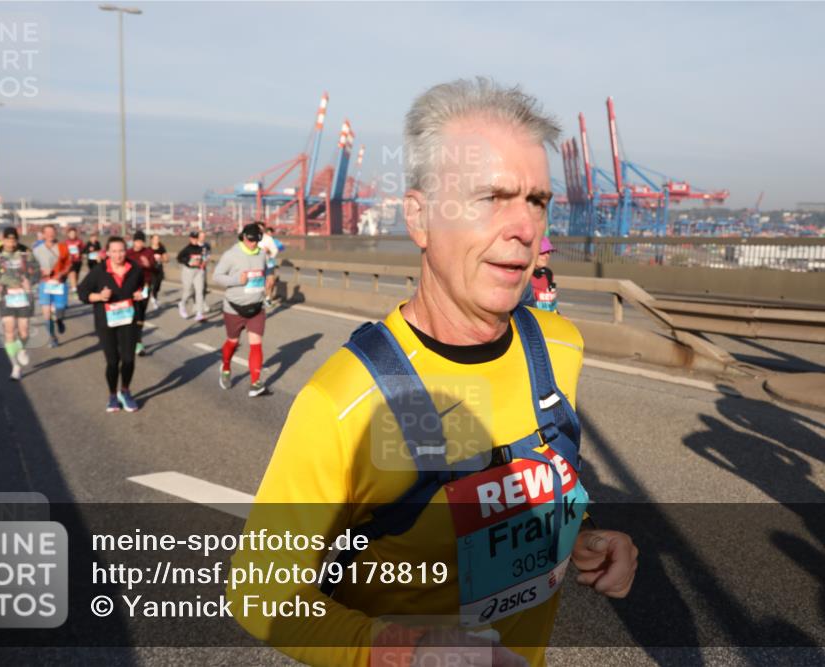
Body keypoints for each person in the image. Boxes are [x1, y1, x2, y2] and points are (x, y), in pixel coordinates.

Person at [228, 78, 638, 667]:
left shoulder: (558, 346)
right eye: (492, 197)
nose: (526, 228)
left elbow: (544, 480)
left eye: (537, 201)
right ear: (419, 219)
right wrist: (403, 651)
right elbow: (259, 594)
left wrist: (585, 536)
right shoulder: (345, 401)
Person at [77, 236, 145, 413]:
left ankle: (125, 391)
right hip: (106, 321)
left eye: (121, 251)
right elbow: (82, 292)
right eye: (114, 251)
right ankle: (113, 395)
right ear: (107, 252)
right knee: (113, 361)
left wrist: (140, 293)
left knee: (129, 359)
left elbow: (143, 286)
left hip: (128, 320)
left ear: (126, 251)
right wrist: (99, 296)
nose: (118, 255)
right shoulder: (99, 271)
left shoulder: (135, 269)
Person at [212, 222, 269, 396]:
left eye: (256, 241)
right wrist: (237, 280)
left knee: (256, 344)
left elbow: (264, 272)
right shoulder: (231, 255)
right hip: (234, 308)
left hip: (256, 307)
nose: (253, 244)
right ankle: (226, 368)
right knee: (233, 342)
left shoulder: (262, 254)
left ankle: (255, 383)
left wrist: (266, 284)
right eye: (250, 240)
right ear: (243, 237)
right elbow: (217, 276)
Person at [0, 228, 33, 381]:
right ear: (2, 240)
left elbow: (36, 270)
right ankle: (15, 367)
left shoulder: (26, 252)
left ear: (17, 240)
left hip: (23, 295)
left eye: (13, 240)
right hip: (5, 296)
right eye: (8, 240)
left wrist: (31, 281)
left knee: (24, 331)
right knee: (9, 331)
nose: (11, 243)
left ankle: (21, 349)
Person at [32, 224, 71, 347]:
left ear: (56, 233)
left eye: (52, 232)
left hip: (59, 283)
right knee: (46, 314)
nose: (50, 234)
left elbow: (69, 264)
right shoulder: (37, 250)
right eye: (47, 232)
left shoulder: (63, 247)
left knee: (60, 309)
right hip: (44, 284)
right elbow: (32, 266)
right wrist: (39, 272)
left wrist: (61, 273)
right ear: (43, 234)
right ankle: (52, 337)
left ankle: (59, 320)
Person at [126, 231, 157, 357]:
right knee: (132, 314)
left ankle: (138, 342)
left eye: (141, 241)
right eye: (137, 241)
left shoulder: (148, 253)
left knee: (141, 315)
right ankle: (131, 339)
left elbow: (156, 269)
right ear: (133, 241)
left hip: (145, 287)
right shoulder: (128, 253)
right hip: (131, 288)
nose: (139, 244)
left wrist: (148, 265)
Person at [176, 230, 207, 321]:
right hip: (188, 271)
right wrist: (188, 262)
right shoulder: (187, 249)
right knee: (188, 291)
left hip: (198, 271)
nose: (195, 240)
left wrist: (202, 263)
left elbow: (203, 258)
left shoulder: (201, 248)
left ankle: (199, 313)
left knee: (199, 291)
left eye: (196, 238)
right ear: (190, 238)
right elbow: (179, 258)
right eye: (193, 238)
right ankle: (182, 304)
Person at [256, 222, 284, 307]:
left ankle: (267, 299)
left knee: (271, 282)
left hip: (269, 262)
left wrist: (269, 252)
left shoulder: (270, 239)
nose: (260, 230)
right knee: (259, 283)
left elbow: (278, 249)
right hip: (257, 264)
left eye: (262, 229)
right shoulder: (252, 238)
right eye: (258, 228)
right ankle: (258, 299)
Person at [530, 237, 558, 312]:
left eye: (548, 252)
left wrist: (557, 315)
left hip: (545, 316)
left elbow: (550, 305)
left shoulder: (548, 274)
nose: (547, 256)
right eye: (542, 252)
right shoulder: (523, 275)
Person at [148, 234, 168, 311]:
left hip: (159, 269)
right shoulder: (148, 249)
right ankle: (153, 299)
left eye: (158, 239)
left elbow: (166, 259)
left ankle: (155, 297)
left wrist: (161, 259)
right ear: (151, 240)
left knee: (158, 285)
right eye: (155, 239)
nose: (157, 240)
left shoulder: (161, 248)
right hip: (151, 270)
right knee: (154, 283)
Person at [64, 227, 85, 293]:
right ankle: (74, 290)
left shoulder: (79, 241)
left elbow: (84, 249)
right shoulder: (66, 242)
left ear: (76, 234)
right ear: (68, 234)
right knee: (72, 273)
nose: (72, 235)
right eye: (71, 233)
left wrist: (80, 253)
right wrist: (68, 255)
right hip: (70, 261)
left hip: (78, 261)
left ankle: (74, 287)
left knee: (76, 276)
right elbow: (63, 251)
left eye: (74, 233)